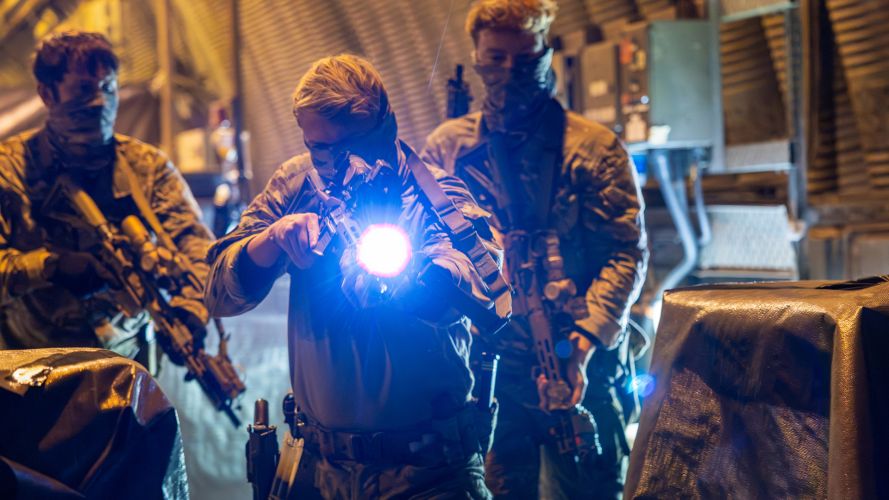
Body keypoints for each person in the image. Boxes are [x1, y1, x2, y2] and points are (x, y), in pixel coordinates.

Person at [205, 54, 504, 498]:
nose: (332, 163)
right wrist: (270, 242)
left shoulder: (434, 195)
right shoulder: (297, 184)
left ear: (383, 131)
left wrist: (407, 274)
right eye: (316, 147)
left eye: (346, 147)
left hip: (425, 473)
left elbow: (480, 284)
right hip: (320, 469)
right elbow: (218, 293)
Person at [421, 1, 649, 498]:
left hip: (578, 359)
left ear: (546, 52)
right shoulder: (446, 150)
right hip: (489, 370)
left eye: (524, 60)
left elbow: (624, 255)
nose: (508, 72)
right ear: (477, 56)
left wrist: (583, 348)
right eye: (495, 58)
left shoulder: (593, 148)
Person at [0, 31, 212, 369]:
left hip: (125, 364)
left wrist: (191, 310)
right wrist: (48, 267)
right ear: (47, 94)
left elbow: (198, 249)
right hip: (30, 367)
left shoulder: (148, 168)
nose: (99, 101)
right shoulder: (9, 168)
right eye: (83, 89)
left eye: (108, 88)